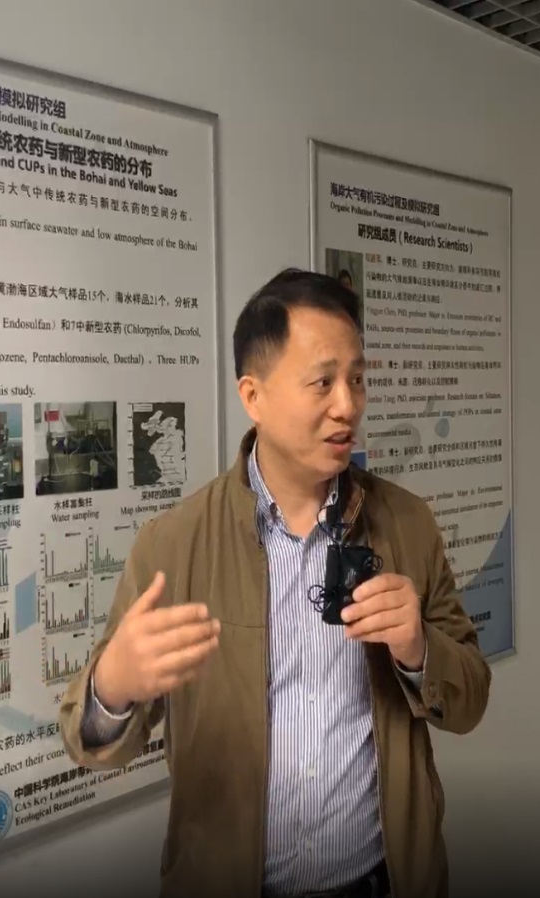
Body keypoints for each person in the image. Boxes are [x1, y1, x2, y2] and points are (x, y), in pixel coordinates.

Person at [59, 268, 491, 898]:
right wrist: (113, 687)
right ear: (253, 396)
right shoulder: (173, 544)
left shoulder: (407, 525)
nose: (348, 405)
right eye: (322, 382)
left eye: (357, 379)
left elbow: (471, 699)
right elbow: (89, 742)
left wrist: (419, 650)